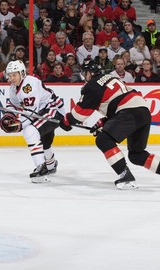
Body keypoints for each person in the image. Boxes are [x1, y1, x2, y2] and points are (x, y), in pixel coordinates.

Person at [59, 60, 160, 190]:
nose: (84, 76)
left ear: (90, 73)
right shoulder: (110, 78)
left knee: (103, 139)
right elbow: (116, 101)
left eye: (85, 72)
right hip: (142, 111)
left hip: (128, 111)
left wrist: (67, 120)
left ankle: (126, 176)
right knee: (136, 155)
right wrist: (105, 122)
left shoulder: (92, 84)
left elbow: (80, 114)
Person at [0, 60, 65, 183]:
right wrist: (8, 116)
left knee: (30, 131)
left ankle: (41, 167)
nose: (11, 78)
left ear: (22, 73)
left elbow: (31, 112)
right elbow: (13, 104)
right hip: (42, 111)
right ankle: (50, 165)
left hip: (53, 110)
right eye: (10, 75)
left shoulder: (29, 85)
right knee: (44, 140)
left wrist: (19, 125)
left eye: (14, 74)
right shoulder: (14, 87)